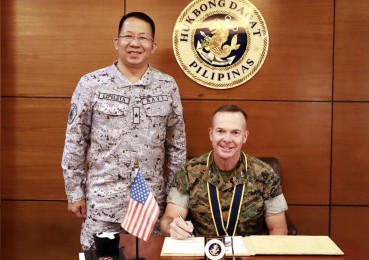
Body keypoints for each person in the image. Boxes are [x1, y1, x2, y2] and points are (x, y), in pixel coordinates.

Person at [62, 12, 186, 250]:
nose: (135, 43)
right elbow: (75, 141)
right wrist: (74, 192)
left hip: (151, 206)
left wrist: (174, 200)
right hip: (103, 206)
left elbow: (176, 146)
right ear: (117, 42)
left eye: (142, 38)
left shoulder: (167, 86)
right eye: (128, 36)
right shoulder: (91, 84)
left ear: (152, 45)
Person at [161, 104, 288, 239]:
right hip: (202, 252)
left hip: (248, 254)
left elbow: (279, 230)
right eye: (220, 131)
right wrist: (172, 228)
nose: (227, 139)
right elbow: (168, 219)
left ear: (244, 136)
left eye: (235, 132)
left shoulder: (265, 174)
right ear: (211, 134)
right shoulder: (189, 172)